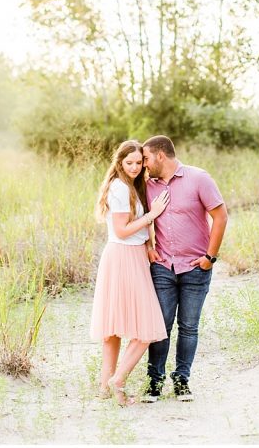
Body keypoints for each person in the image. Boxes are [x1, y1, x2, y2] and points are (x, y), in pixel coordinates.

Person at [140, 135, 229, 403]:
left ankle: (182, 380)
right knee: (160, 326)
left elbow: (220, 216)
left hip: (195, 268)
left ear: (160, 156)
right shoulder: (148, 186)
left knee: (189, 326)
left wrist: (209, 258)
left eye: (145, 158)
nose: (144, 165)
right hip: (163, 267)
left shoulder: (199, 178)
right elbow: (139, 217)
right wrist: (148, 245)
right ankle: (155, 382)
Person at [89, 139, 170, 405]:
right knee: (147, 328)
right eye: (129, 163)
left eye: (139, 162)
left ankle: (105, 389)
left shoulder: (132, 186)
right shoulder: (119, 188)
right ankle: (116, 382)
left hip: (133, 255)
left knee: (115, 328)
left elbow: (133, 230)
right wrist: (153, 215)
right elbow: (123, 230)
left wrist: (148, 245)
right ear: (119, 163)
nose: (135, 167)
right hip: (122, 257)